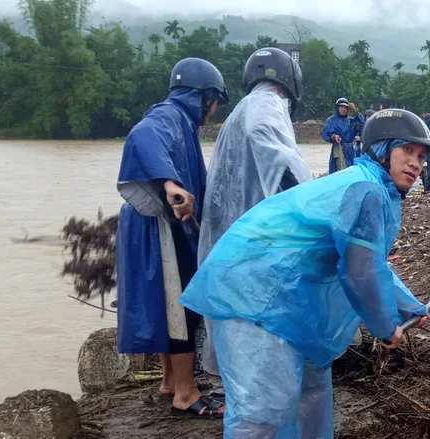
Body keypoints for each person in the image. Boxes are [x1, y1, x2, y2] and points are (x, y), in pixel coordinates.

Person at [181, 110, 430, 439]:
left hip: (284, 291)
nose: (416, 162)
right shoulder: (365, 190)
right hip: (254, 289)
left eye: (421, 155)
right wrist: (384, 327)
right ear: (380, 150)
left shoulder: (369, 187)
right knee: (265, 402)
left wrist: (408, 305)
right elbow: (359, 275)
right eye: (406, 150)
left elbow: (368, 260)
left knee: (314, 378)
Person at [116, 57, 228, 418]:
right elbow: (141, 137)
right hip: (160, 225)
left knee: (165, 300)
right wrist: (170, 184)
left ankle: (169, 381)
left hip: (145, 224)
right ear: (204, 96)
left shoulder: (178, 119)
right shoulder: (169, 116)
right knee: (182, 303)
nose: (213, 111)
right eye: (214, 102)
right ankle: (186, 393)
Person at [196, 47, 312, 374]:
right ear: (292, 84)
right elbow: (271, 146)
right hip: (254, 242)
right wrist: (306, 205)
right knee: (260, 337)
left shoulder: (240, 111)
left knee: (241, 330)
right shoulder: (267, 104)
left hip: (232, 240)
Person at [322, 97, 359, 172]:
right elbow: (325, 132)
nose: (343, 109)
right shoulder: (331, 120)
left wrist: (355, 110)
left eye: (345, 108)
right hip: (338, 148)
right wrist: (333, 136)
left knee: (351, 170)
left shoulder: (350, 121)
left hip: (350, 149)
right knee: (340, 170)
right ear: (337, 108)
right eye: (341, 107)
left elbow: (361, 124)